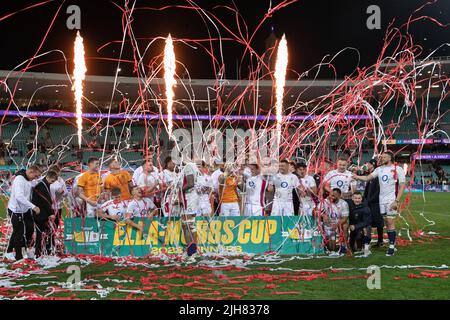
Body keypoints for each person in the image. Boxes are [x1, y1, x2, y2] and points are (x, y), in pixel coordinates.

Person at [353, 150, 406, 256]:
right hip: (381, 201)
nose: (382, 158)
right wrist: (357, 177)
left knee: (390, 222)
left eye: (384, 157)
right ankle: (393, 243)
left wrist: (397, 200)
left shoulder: (397, 169)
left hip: (391, 200)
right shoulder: (379, 169)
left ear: (390, 158)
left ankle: (391, 247)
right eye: (381, 157)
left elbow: (402, 185)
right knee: (386, 222)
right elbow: (368, 178)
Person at [5, 165, 42, 261]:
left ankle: (11, 250)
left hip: (25, 210)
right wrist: (33, 207)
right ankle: (18, 256)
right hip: (16, 210)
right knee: (19, 233)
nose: (35, 178)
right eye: (35, 176)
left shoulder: (28, 179)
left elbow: (35, 183)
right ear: (31, 172)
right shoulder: (19, 180)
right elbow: (19, 197)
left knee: (29, 228)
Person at [32, 170, 59, 258]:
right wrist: (51, 213)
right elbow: (45, 202)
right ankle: (38, 252)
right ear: (48, 177)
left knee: (46, 232)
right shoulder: (41, 186)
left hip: (42, 212)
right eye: (52, 181)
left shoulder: (44, 184)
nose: (52, 183)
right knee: (41, 233)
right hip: (40, 214)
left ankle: (45, 249)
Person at [178, 162, 201, 256]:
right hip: (187, 197)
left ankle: (193, 250)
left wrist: (178, 190)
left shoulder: (188, 166)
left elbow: (190, 183)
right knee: (185, 224)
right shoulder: (190, 166)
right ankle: (189, 249)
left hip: (190, 197)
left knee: (189, 224)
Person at [363, 159, 384, 247]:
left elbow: (378, 191)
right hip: (369, 202)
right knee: (368, 221)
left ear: (372, 164)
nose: (366, 165)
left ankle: (380, 241)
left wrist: (370, 200)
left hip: (376, 203)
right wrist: (364, 199)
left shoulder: (377, 175)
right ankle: (368, 239)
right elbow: (367, 190)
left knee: (378, 221)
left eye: (368, 163)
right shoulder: (371, 174)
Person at [322, 188, 349, 255]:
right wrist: (323, 215)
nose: (332, 197)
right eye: (331, 195)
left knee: (345, 225)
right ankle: (327, 244)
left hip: (338, 224)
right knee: (332, 248)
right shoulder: (325, 201)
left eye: (334, 195)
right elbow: (315, 211)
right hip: (328, 225)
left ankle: (343, 246)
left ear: (339, 196)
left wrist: (336, 225)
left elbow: (345, 218)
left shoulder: (344, 203)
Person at [348, 192, 372, 256]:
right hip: (353, 227)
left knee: (366, 229)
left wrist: (356, 226)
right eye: (355, 198)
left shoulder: (365, 208)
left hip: (362, 226)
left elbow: (367, 222)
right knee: (354, 249)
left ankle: (366, 247)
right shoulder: (349, 205)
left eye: (359, 198)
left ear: (361, 199)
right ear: (352, 198)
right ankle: (357, 246)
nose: (357, 200)